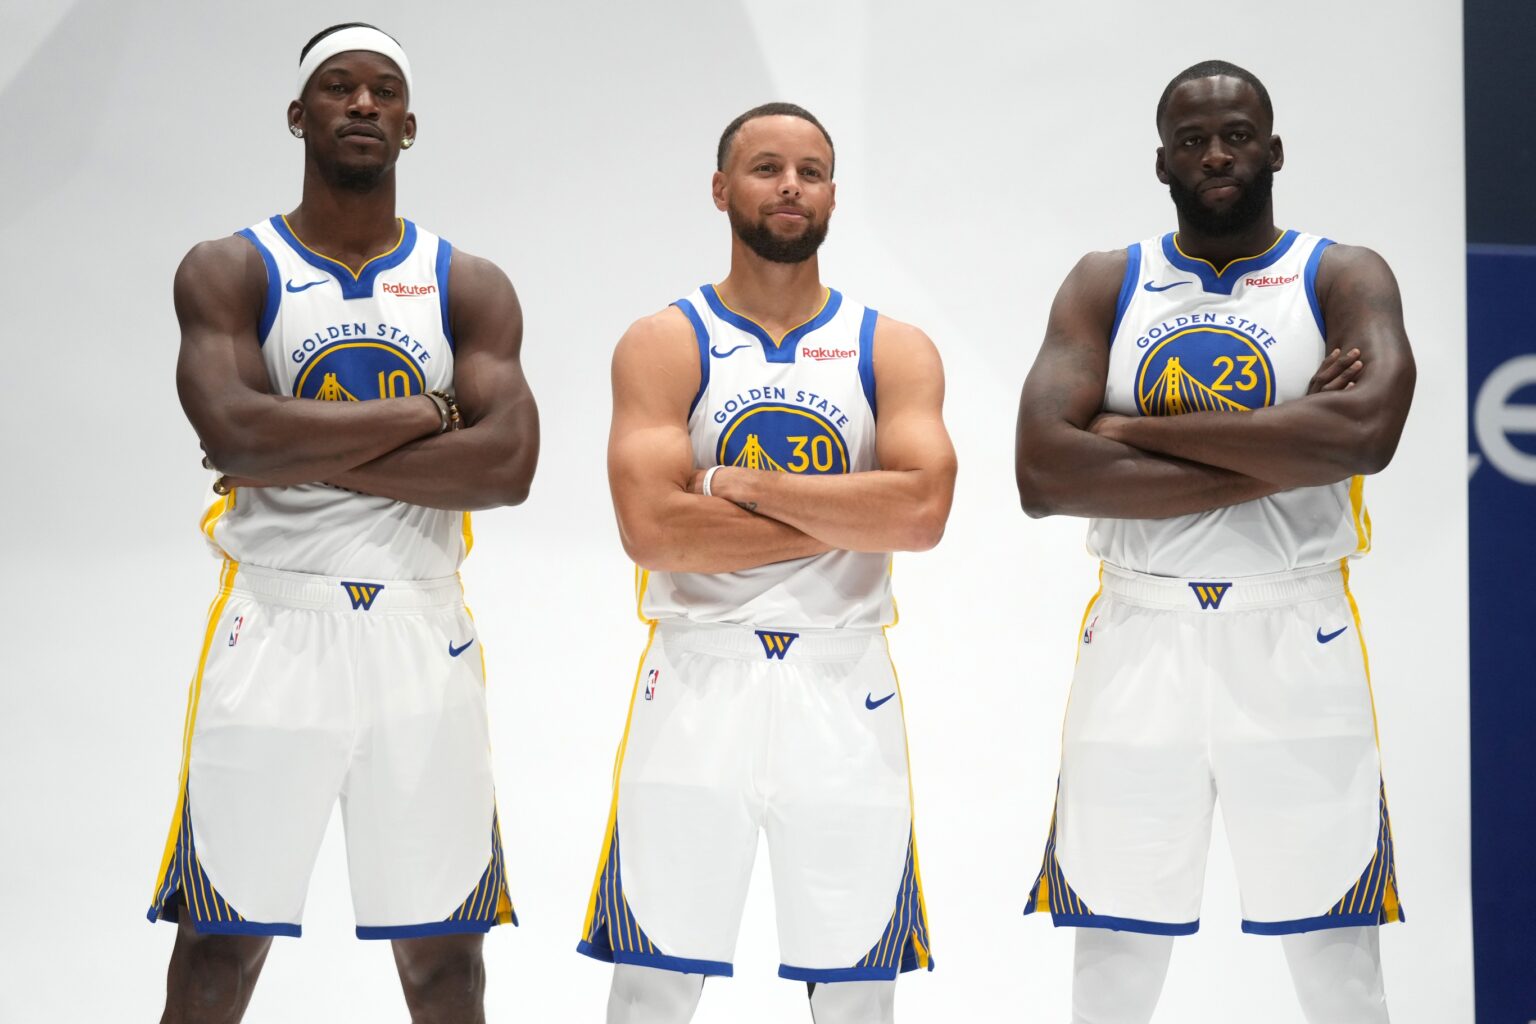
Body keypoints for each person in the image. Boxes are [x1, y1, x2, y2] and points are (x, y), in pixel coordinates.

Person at [144, 23, 538, 1024]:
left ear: (409, 125)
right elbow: (231, 426)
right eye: (337, 87)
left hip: (421, 630)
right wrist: (429, 413)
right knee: (218, 950)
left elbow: (508, 465)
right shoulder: (229, 268)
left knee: (446, 962)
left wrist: (295, 440)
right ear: (298, 115)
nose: (362, 103)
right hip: (276, 627)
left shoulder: (466, 282)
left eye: (382, 91)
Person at [1015, 60, 1415, 1024]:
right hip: (1140, 629)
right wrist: (1289, 439)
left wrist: (1128, 429)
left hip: (1296, 628)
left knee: (1333, 947)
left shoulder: (1340, 274)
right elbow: (1043, 475)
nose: (1217, 153)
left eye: (1237, 134)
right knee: (1114, 942)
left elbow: (1366, 436)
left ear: (1275, 148)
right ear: (1162, 164)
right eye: (1192, 140)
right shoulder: (1109, 281)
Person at [576, 102, 957, 1024]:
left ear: (832, 194)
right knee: (654, 984)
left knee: (858, 991)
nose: (791, 185)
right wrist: (853, 506)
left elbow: (923, 510)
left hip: (843, 684)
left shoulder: (890, 347)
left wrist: (735, 483)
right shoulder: (666, 340)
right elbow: (654, 531)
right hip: (700, 678)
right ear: (721, 189)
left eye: (812, 170)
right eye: (766, 168)